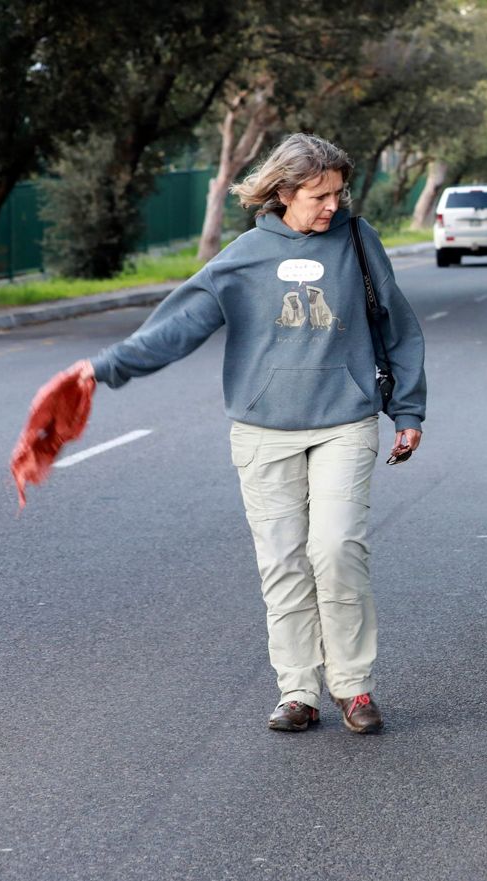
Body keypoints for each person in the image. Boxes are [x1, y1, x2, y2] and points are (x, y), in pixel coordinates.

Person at [55, 133, 426, 734]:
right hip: (263, 430)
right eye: (319, 195)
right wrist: (101, 369)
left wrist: (407, 411)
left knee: (336, 549)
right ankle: (299, 690)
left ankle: (353, 687)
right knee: (283, 561)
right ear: (283, 193)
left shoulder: (360, 242)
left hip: (345, 420)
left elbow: (400, 329)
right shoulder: (246, 255)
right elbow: (176, 328)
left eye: (339, 192)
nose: (333, 205)